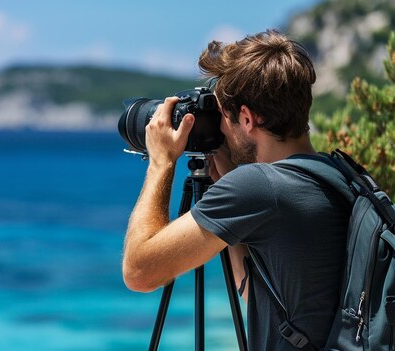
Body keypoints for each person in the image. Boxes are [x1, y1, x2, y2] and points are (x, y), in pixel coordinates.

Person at [122, 29, 348, 350]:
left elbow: (139, 271)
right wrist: (226, 176)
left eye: (223, 118)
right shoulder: (336, 174)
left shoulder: (259, 187)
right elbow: (255, 292)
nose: (221, 129)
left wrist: (161, 162)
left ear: (246, 118)